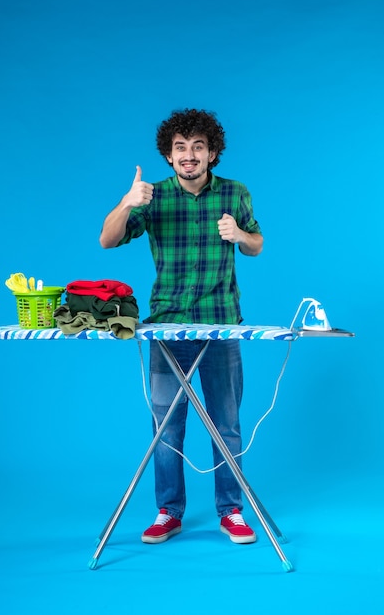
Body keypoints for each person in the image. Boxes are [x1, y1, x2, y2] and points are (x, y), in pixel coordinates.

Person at [100, 108, 263, 545]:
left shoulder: (236, 193)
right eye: (180, 148)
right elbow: (107, 239)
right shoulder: (153, 197)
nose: (189, 155)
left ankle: (232, 512)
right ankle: (168, 511)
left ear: (213, 153)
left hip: (221, 326)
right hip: (167, 328)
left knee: (226, 423)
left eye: (197, 147)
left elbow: (257, 244)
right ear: (169, 156)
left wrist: (239, 235)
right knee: (166, 425)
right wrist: (126, 203)